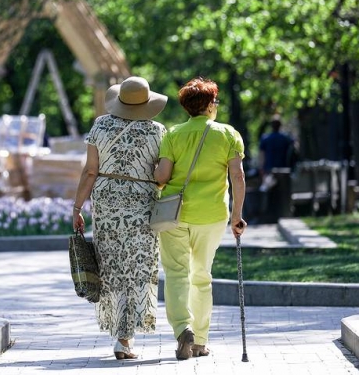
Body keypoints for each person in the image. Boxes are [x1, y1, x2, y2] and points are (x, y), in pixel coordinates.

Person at [72, 76, 167, 360]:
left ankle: (119, 335)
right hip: (142, 204)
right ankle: (125, 339)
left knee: (111, 265)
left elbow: (90, 170)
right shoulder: (158, 131)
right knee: (137, 266)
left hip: (106, 203)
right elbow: (162, 174)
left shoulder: (100, 125)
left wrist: (77, 208)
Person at [154, 77, 247, 360]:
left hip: (175, 215)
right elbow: (238, 178)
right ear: (208, 105)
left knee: (177, 273)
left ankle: (183, 328)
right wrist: (237, 216)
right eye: (215, 101)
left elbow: (162, 177)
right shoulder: (228, 135)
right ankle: (200, 341)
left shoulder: (173, 135)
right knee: (202, 276)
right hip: (212, 215)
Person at [258, 114, 295, 188]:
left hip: (269, 170)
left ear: (271, 126)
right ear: (280, 125)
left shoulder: (266, 139)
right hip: (284, 171)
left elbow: (262, 155)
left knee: (269, 192)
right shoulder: (286, 138)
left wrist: (261, 168)